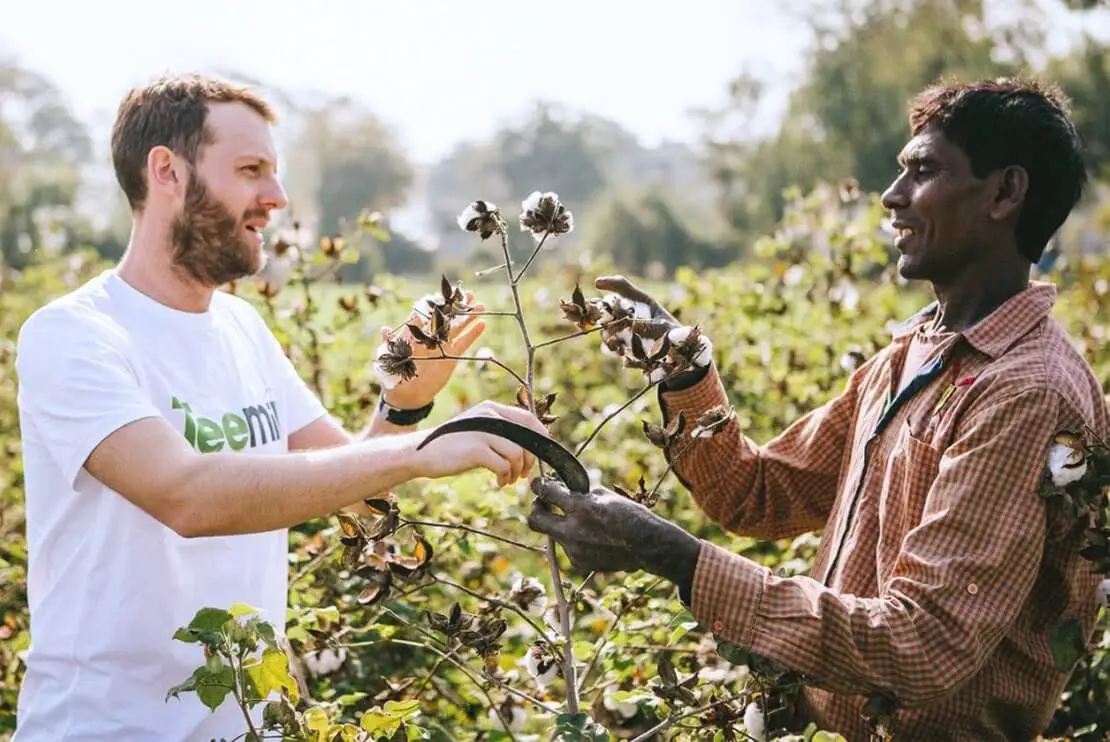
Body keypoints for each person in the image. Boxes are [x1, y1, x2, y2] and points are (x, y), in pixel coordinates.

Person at [527, 77, 1110, 740]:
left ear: (1005, 193)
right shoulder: (913, 355)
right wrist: (684, 370)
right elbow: (761, 495)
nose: (892, 198)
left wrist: (670, 553)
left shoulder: (1024, 393)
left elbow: (923, 644)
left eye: (924, 171)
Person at [12, 73, 547, 741]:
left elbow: (349, 487)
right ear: (166, 172)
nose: (278, 197)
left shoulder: (241, 329)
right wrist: (421, 449)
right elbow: (187, 498)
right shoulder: (75, 335)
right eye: (250, 169)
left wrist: (403, 408)